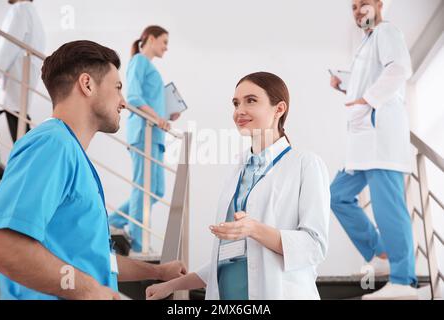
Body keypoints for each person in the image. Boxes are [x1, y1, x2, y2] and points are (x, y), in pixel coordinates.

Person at [0, 40, 186, 300]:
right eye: (117, 88)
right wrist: (88, 290)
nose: (123, 102)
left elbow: (94, 259)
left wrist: (160, 272)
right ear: (87, 84)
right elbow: (2, 244)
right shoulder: (52, 143)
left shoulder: (69, 150)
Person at [145, 72, 330, 300]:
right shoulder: (238, 168)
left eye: (250, 100)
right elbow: (228, 258)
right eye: (235, 103)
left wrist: (254, 230)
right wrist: (173, 285)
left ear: (279, 109)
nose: (239, 111)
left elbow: (314, 245)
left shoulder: (305, 164)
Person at [329, 0, 418, 300]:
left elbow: (399, 68)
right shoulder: (366, 43)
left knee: (388, 209)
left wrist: (366, 99)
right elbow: (368, 80)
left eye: (363, 3)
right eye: (353, 6)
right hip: (363, 141)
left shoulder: (386, 32)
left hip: (381, 136)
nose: (357, 10)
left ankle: (404, 281)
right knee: (337, 195)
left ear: (380, 4)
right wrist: (344, 84)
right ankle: (381, 256)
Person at [108, 26, 180, 253]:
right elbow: (135, 97)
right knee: (143, 188)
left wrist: (168, 114)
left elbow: (150, 101)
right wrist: (158, 116)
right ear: (150, 39)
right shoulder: (139, 61)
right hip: (143, 133)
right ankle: (138, 242)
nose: (166, 47)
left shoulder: (150, 68)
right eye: (164, 41)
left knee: (156, 189)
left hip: (155, 135)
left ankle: (114, 221)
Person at [0, 0, 45, 159]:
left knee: (18, 120)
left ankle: (0, 168)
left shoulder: (20, 9)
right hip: (21, 76)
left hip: (15, 76)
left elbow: (8, 43)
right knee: (19, 119)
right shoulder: (32, 13)